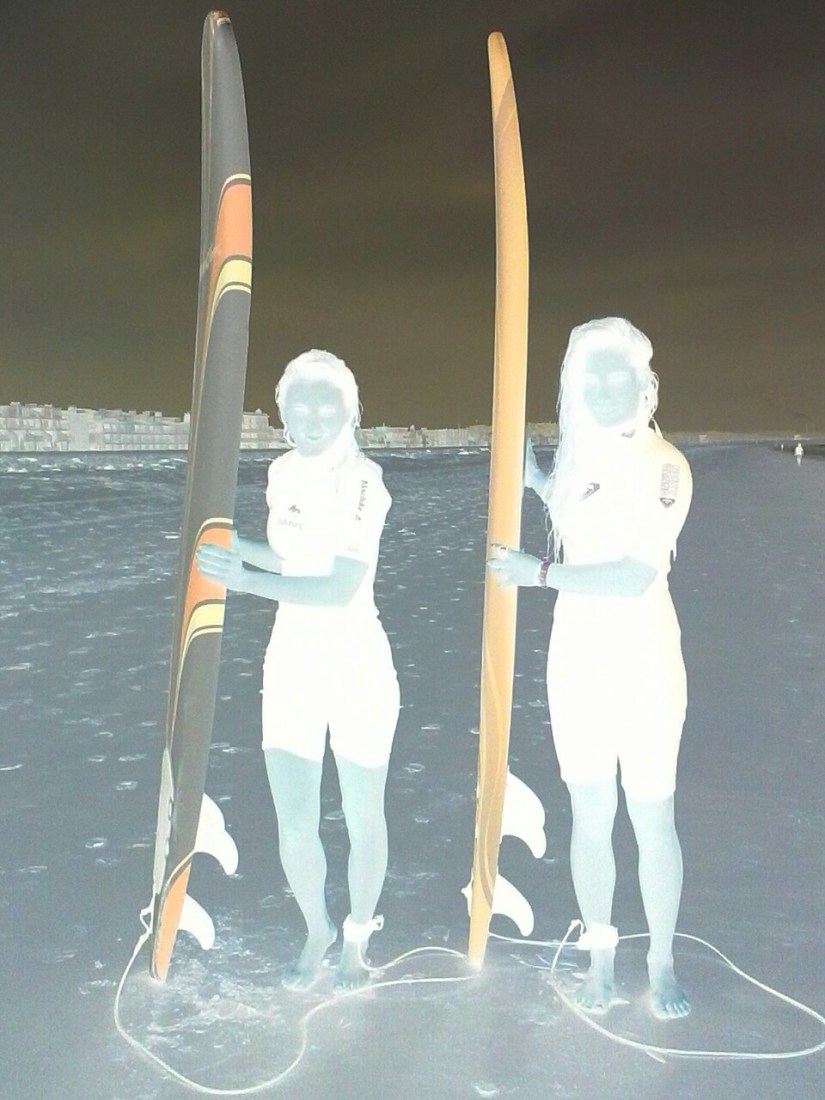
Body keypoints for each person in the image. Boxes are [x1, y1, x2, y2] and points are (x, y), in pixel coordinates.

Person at [488, 317, 693, 1020]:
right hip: (576, 663)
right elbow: (580, 512)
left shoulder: (665, 465)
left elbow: (633, 575)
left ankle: (660, 960)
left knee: (650, 816)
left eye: (617, 375)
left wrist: (538, 573)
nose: (604, 388)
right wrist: (534, 479)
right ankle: (600, 958)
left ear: (644, 383)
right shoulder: (582, 466)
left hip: (644, 663)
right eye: (590, 376)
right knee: (590, 815)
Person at [196, 349, 400, 992]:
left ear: (349, 409)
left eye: (326, 404)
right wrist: (232, 548)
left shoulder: (364, 480)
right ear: (281, 411)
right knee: (294, 822)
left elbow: (338, 585)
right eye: (299, 405)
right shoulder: (281, 471)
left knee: (362, 816)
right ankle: (317, 930)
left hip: (357, 664)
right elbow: (292, 559)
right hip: (290, 665)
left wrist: (244, 581)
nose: (312, 417)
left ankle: (357, 938)